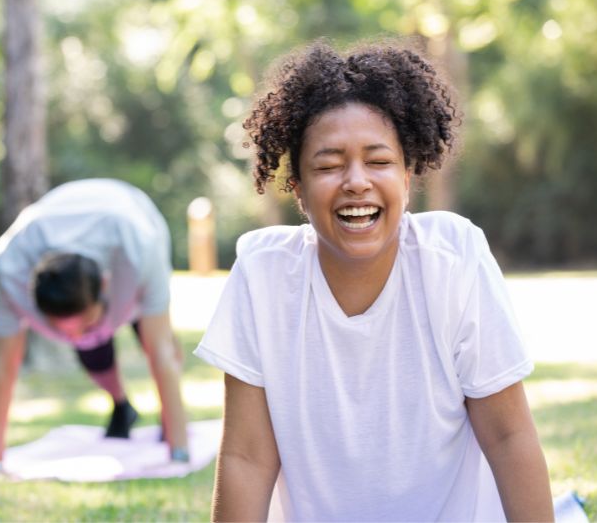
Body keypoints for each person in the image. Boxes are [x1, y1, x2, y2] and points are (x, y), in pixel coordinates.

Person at [194, 39, 554, 521]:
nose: (356, 181)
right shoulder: (263, 274)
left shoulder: (452, 258)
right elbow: (247, 457)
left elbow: (508, 436)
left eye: (379, 161)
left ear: (408, 175)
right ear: (297, 187)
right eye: (328, 164)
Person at [0, 178, 189, 473]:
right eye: (65, 330)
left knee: (154, 338)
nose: (76, 336)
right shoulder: (9, 268)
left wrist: (179, 454)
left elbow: (162, 352)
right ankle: (122, 406)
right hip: (70, 243)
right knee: (92, 346)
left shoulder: (140, 247)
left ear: (106, 286)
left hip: (133, 214)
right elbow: (2, 366)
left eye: (85, 324)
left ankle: (170, 423)